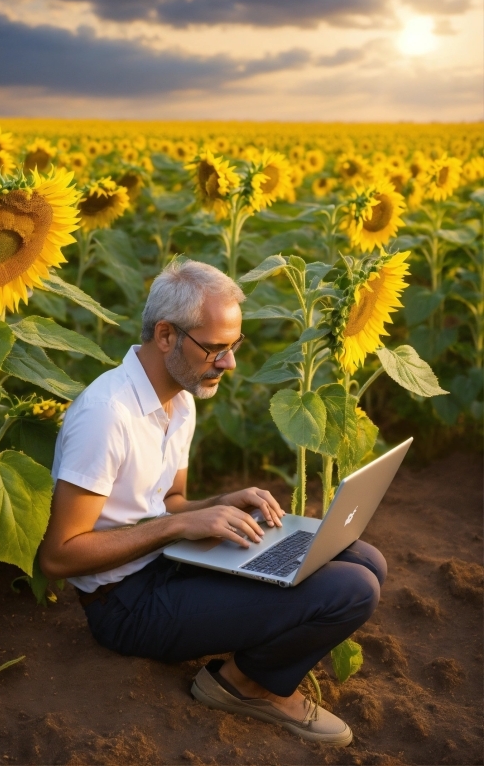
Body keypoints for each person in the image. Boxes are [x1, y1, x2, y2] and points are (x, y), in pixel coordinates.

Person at [40, 258, 387, 747]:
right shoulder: (106, 416)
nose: (230, 363)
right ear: (166, 335)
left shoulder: (178, 400)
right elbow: (59, 556)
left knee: (365, 558)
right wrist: (176, 528)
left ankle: (257, 663)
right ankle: (246, 684)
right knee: (352, 588)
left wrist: (222, 503)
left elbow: (170, 501)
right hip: (123, 605)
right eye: (216, 349)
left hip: (168, 563)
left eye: (234, 345)